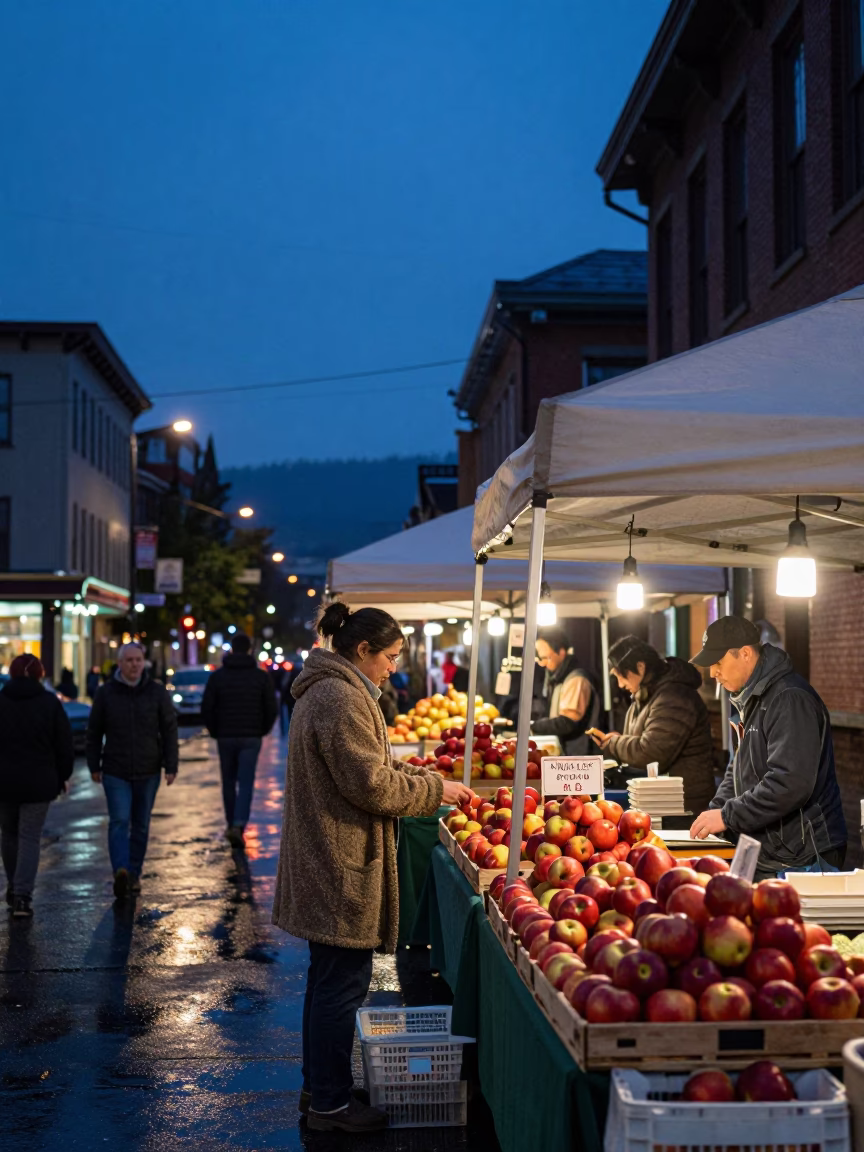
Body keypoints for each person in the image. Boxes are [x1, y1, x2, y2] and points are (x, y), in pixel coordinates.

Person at [272, 602, 472, 1134]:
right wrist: (434, 788)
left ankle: (322, 1089)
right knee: (341, 984)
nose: (392, 667)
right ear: (361, 651)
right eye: (388, 656)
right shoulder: (340, 697)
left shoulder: (339, 691)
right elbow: (371, 784)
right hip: (337, 863)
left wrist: (421, 773)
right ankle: (332, 1106)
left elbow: (374, 764)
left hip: (329, 856)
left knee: (329, 983)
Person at [688, 616, 847, 878]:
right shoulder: (748, 698)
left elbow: (789, 782)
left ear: (746, 654)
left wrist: (727, 816)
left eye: (718, 663)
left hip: (803, 855)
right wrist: (714, 811)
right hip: (768, 850)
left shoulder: (789, 699)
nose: (713, 673)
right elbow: (737, 768)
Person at [86, 643, 179, 899]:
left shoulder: (156, 691)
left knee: (140, 824)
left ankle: (134, 873)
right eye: (129, 660)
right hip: (116, 769)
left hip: (148, 769)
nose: (134, 664)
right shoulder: (106, 693)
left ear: (144, 662)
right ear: (120, 663)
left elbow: (169, 728)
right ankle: (121, 871)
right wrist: (94, 765)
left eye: (138, 660)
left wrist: (171, 765)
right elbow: (94, 731)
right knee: (119, 821)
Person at [591, 635, 716, 814]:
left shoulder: (674, 697)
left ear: (640, 667)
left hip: (684, 807)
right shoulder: (646, 694)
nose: (620, 684)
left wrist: (614, 744)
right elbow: (642, 738)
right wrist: (619, 740)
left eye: (621, 676)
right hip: (659, 801)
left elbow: (652, 751)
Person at [0, 655, 74, 918]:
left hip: (4, 782)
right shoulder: (49, 703)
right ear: (40, 674)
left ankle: (13, 885)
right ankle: (22, 896)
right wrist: (62, 776)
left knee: (8, 835)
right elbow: (64, 744)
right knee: (29, 837)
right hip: (39, 781)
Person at [201, 633, 278, 847]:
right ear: (250, 649)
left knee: (228, 781)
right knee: (245, 782)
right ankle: (239, 823)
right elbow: (270, 707)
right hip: (251, 736)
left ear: (231, 649)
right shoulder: (260, 677)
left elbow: (207, 707)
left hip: (225, 735)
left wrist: (215, 730)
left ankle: (230, 822)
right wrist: (262, 730)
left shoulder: (218, 677)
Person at [533, 627, 600, 755]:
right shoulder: (558, 677)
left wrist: (534, 726)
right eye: (539, 659)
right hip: (567, 751)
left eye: (546, 658)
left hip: (579, 755)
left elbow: (568, 723)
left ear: (561, 652)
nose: (542, 664)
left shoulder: (576, 679)